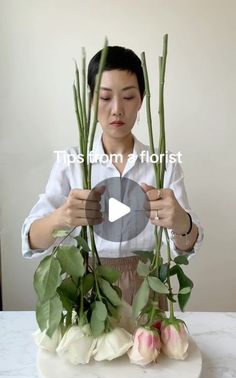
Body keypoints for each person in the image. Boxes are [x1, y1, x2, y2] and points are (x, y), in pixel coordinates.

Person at [22, 46, 203, 305]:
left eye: (128, 97)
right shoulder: (71, 162)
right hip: (86, 290)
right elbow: (30, 240)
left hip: (147, 290)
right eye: (105, 97)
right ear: (91, 101)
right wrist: (62, 216)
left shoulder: (164, 164)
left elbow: (185, 247)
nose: (117, 109)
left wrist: (182, 223)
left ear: (142, 99)